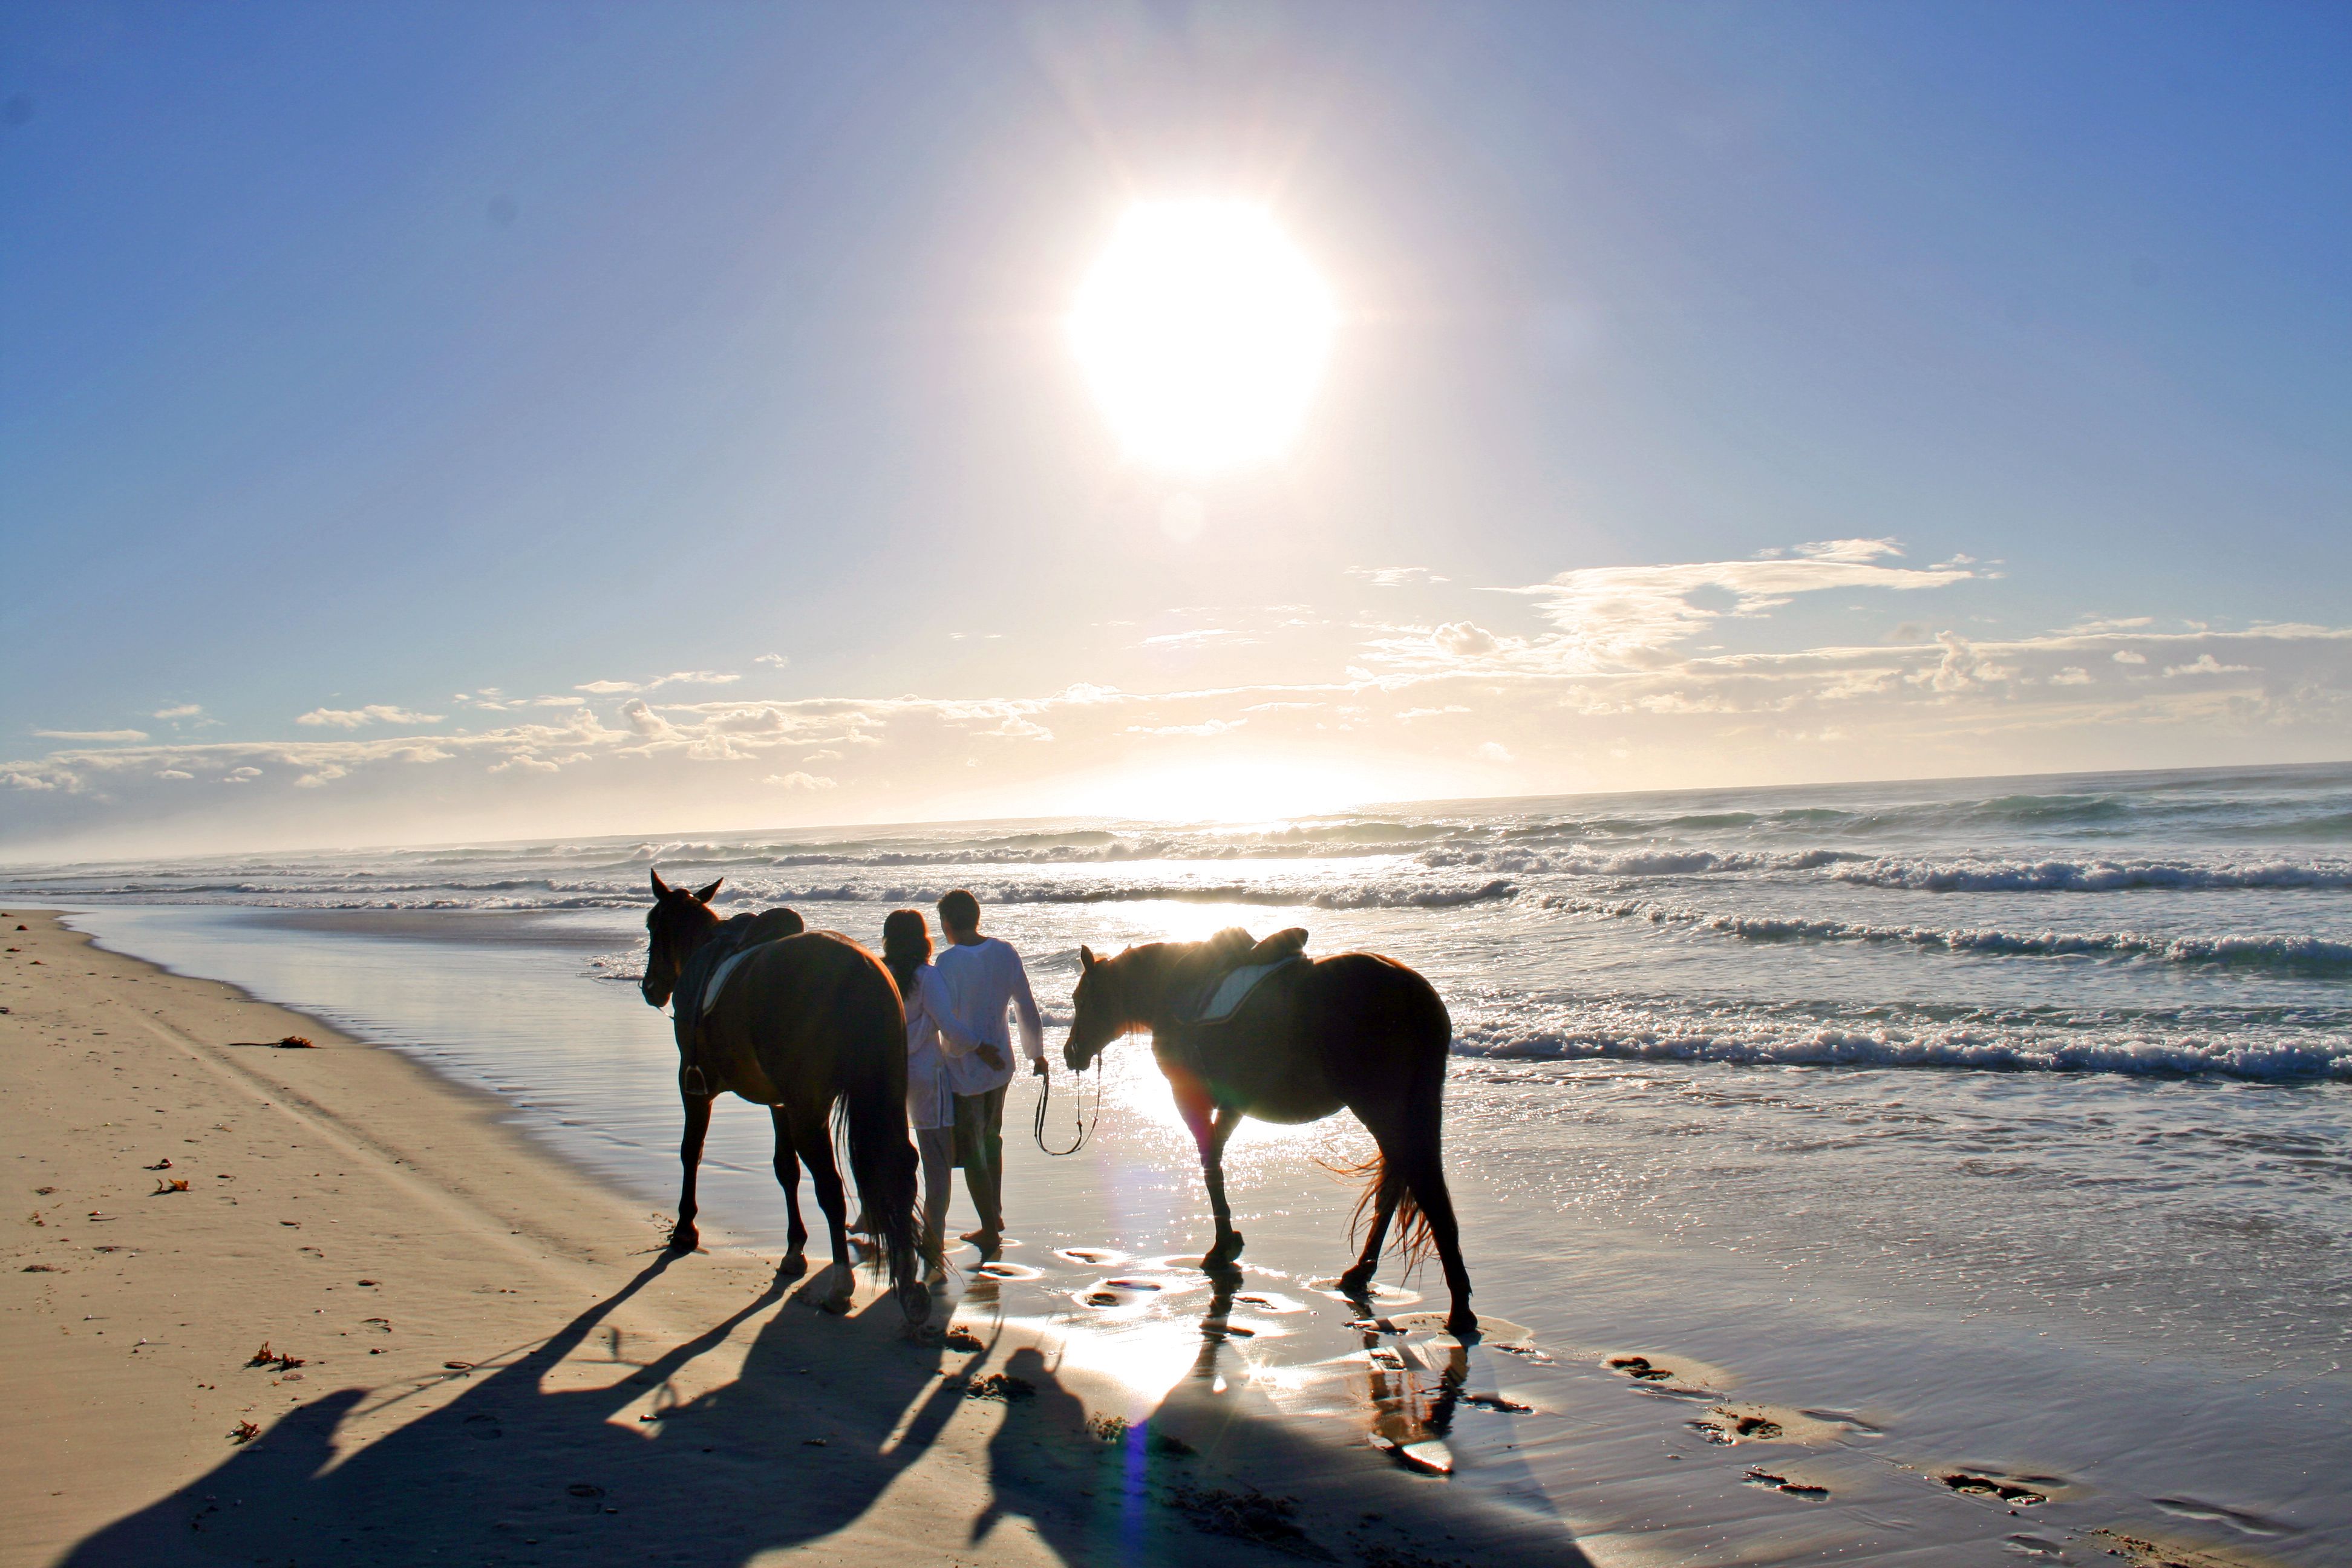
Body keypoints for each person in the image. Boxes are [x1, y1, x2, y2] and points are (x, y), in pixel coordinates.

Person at [880, 909, 997, 1278]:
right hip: (928, 1076)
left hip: (888, 1073)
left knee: (889, 1154)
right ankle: (933, 1245)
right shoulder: (927, 976)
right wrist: (981, 1047)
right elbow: (949, 1026)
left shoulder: (881, 975)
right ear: (922, 938)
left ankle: (887, 1230)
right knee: (937, 1165)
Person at [932, 888, 1043, 1256]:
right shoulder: (1004, 951)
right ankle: (993, 1217)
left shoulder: (946, 965)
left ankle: (989, 1229)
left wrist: (971, 1049)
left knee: (974, 1147)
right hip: (1002, 1064)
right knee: (991, 1138)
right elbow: (1026, 1006)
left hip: (965, 1067)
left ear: (947, 924)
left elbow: (946, 1024)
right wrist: (1036, 1054)